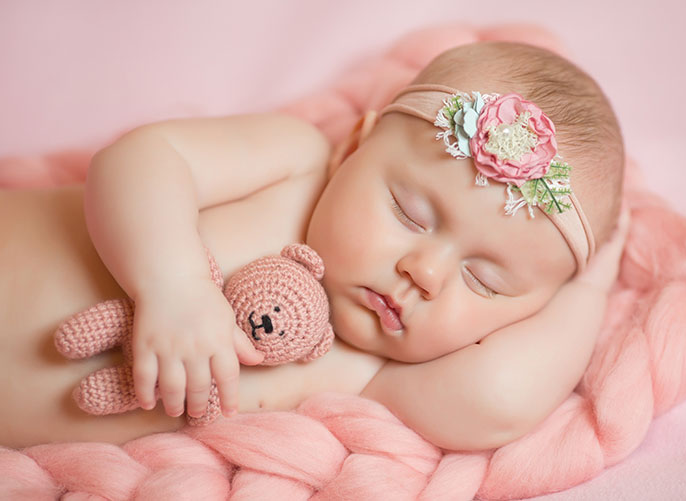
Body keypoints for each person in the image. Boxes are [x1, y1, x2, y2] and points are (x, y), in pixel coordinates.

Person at [0, 41, 627, 450]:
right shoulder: (294, 164)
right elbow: (142, 160)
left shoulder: (373, 376)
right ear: (355, 147)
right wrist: (173, 284)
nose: (426, 272)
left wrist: (593, 282)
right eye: (409, 213)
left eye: (486, 281)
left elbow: (500, 400)